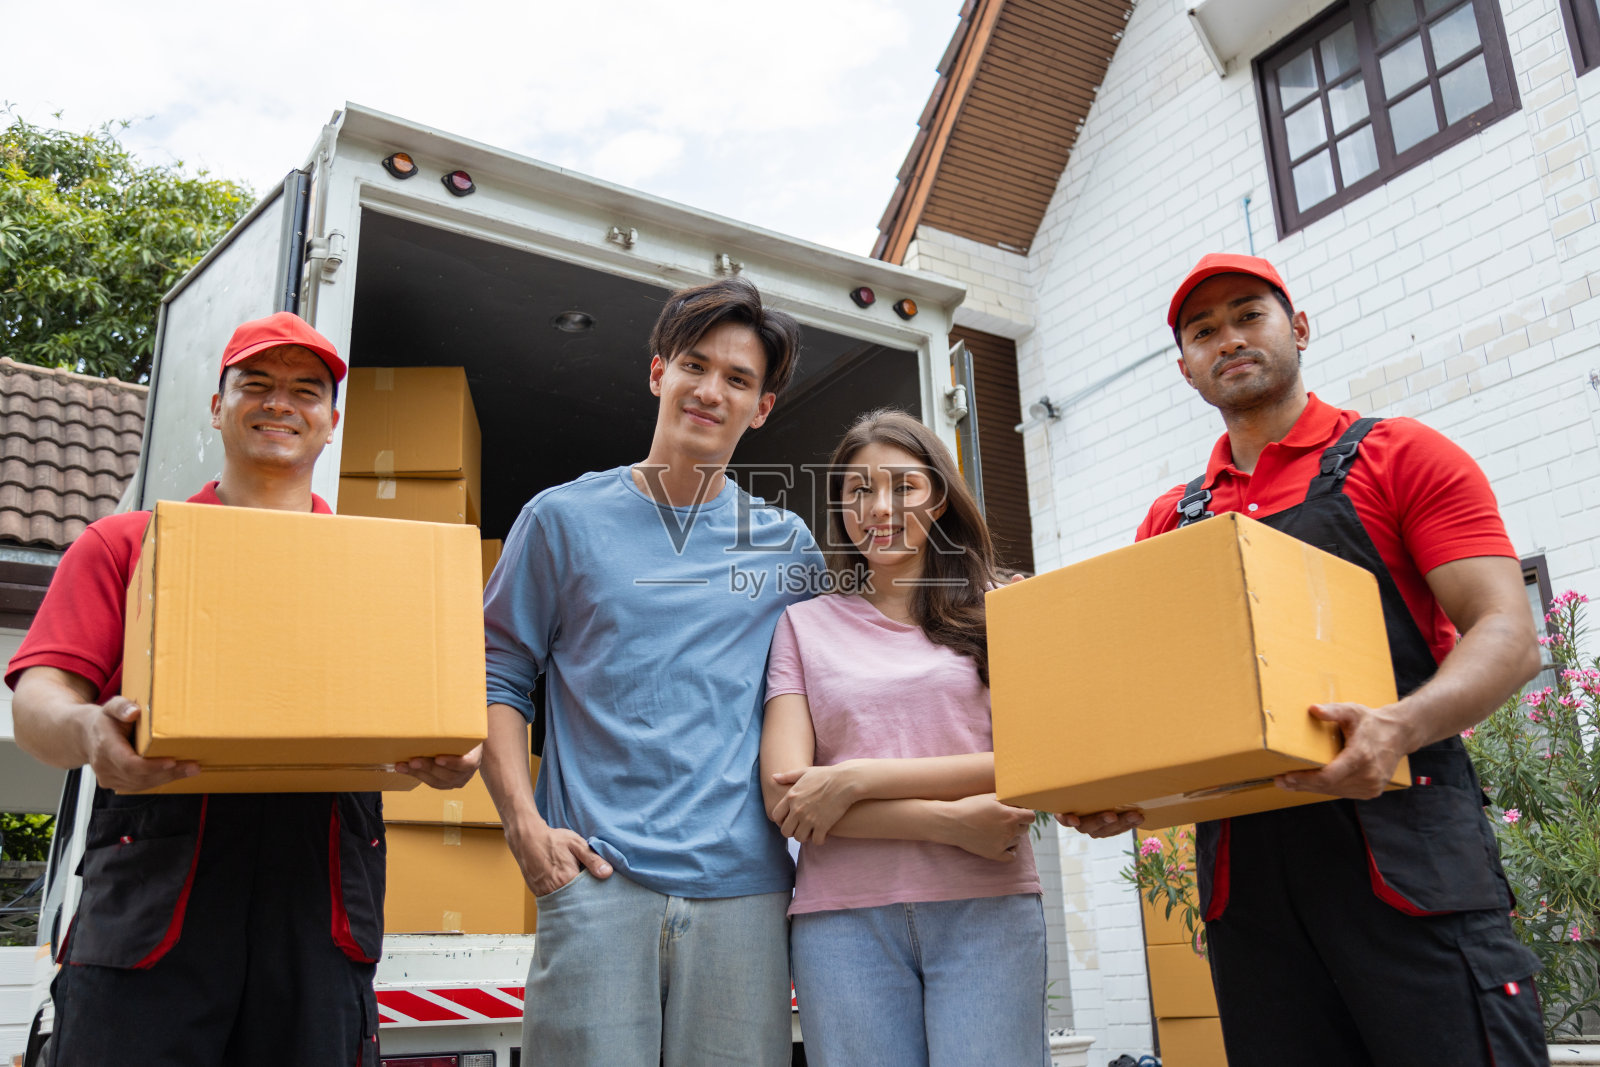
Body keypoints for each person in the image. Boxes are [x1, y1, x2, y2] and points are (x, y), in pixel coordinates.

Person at [1062, 253, 1547, 1066]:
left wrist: (1398, 724)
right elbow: (1162, 697)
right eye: (1204, 330)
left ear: (1301, 328)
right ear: (1186, 368)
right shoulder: (1170, 521)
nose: (1230, 339)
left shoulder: (1400, 456)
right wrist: (1125, 791)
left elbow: (1507, 630)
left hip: (1406, 855)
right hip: (1248, 886)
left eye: (1250, 314)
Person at [6, 311, 480, 1067]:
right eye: (255, 384)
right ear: (218, 404)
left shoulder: (375, 567)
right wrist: (91, 729)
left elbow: (438, 707)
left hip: (317, 906)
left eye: (305, 390)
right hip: (157, 896)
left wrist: (449, 756)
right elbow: (38, 702)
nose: (279, 403)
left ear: (332, 422)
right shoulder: (125, 544)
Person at [480, 276, 823, 1065]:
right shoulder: (561, 520)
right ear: (657, 371)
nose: (711, 391)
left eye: (738, 379)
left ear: (761, 407)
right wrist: (523, 826)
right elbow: (497, 675)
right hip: (598, 881)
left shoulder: (790, 547)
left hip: (746, 891)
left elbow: (823, 694)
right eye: (695, 365)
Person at [760, 409, 1046, 1067]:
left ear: (939, 496)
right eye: (858, 489)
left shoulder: (1008, 607)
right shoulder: (803, 626)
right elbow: (790, 799)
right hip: (843, 923)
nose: (878, 506)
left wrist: (858, 778)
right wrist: (951, 824)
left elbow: (1035, 761)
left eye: (902, 486)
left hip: (988, 911)